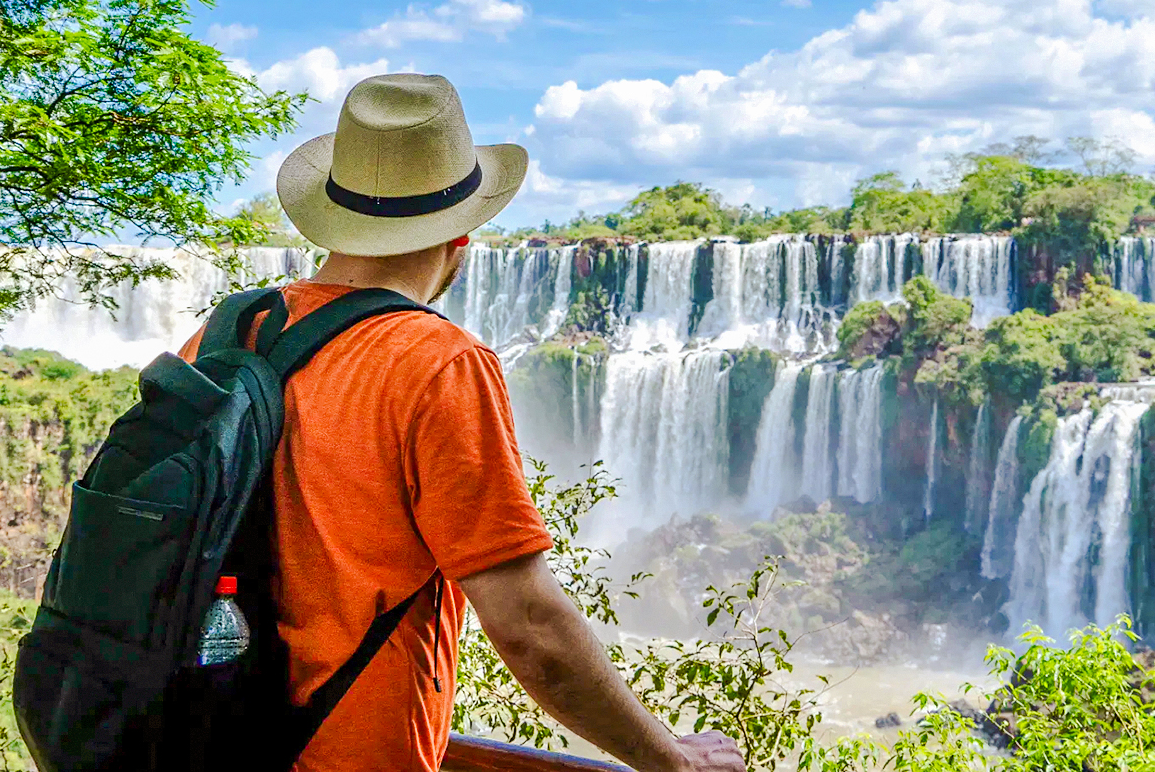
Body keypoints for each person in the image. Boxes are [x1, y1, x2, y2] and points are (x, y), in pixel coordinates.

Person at [179, 73, 747, 772]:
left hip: (204, 736)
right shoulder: (437, 361)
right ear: (463, 235)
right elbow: (530, 629)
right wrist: (673, 759)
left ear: (332, 213)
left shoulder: (228, 332)